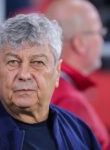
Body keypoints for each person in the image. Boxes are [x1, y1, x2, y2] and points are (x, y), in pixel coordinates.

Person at [0, 13, 101, 150]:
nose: (24, 74)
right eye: (13, 62)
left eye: (37, 62)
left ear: (57, 72)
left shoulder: (80, 133)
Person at [45, 0, 110, 149]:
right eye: (99, 33)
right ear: (80, 43)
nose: (102, 40)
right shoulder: (69, 101)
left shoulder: (43, 88)